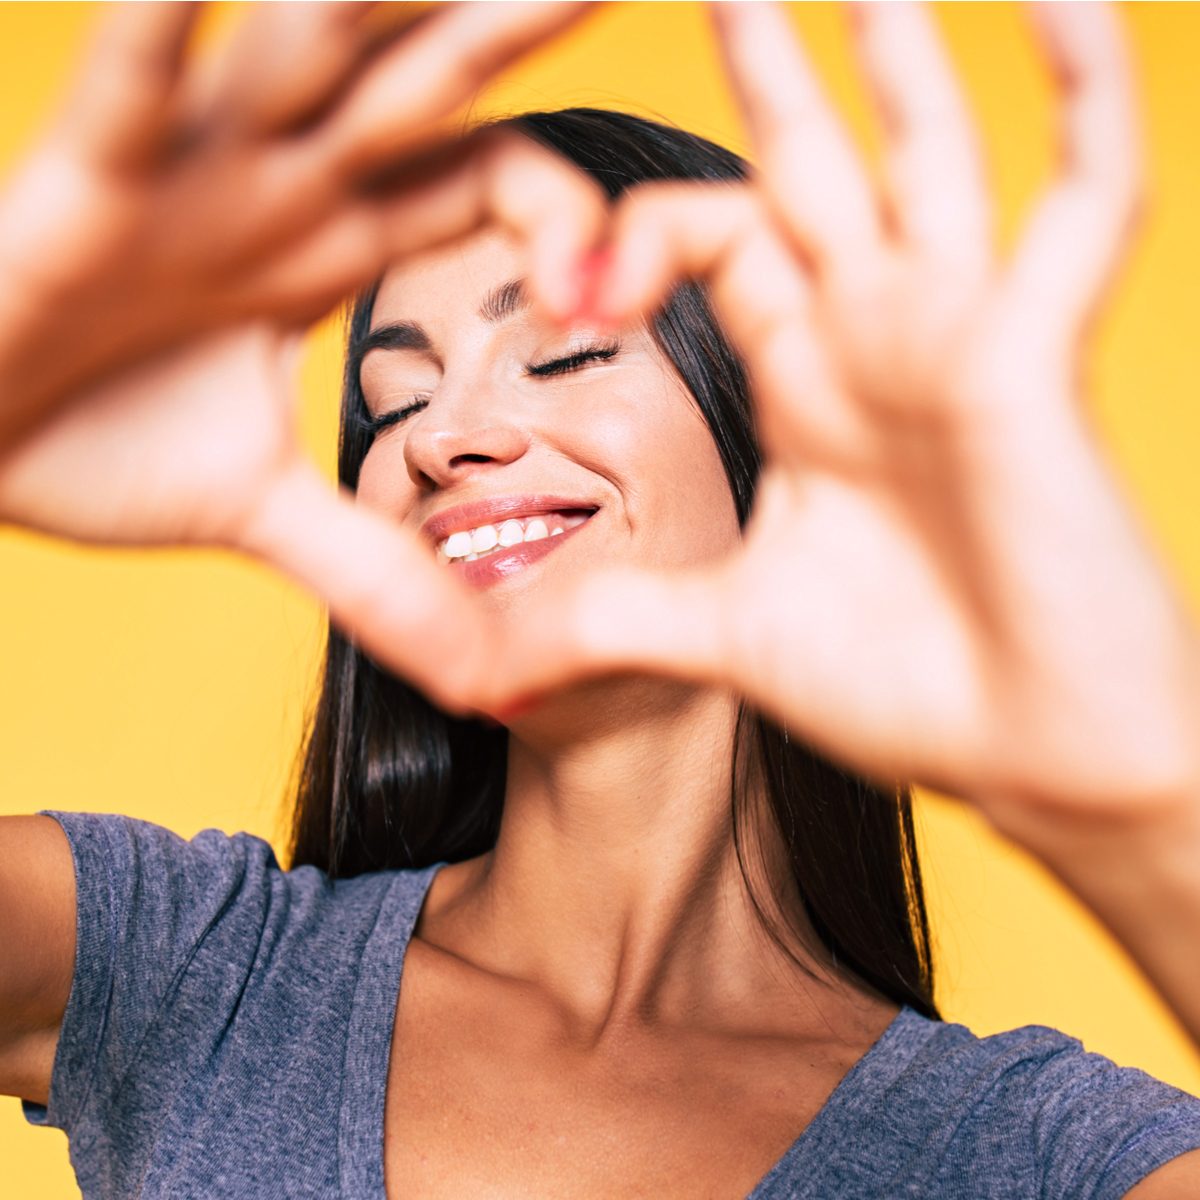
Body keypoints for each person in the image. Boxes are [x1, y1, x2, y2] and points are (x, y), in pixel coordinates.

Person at [2, 2, 1199, 1197]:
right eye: (394, 401)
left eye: (567, 352)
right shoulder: (194, 965)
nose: (444, 439)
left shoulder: (1038, 1155)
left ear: (775, 430)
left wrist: (1153, 811)